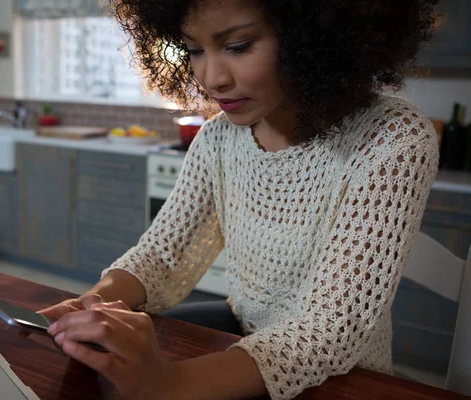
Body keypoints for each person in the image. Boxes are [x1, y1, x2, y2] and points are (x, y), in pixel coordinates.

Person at [42, 0, 439, 398]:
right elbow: (161, 257)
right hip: (244, 334)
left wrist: (170, 383)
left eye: (237, 46)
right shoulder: (218, 137)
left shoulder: (393, 140)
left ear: (315, 38)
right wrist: (89, 306)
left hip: (342, 377)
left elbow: (327, 331)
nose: (211, 79)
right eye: (194, 50)